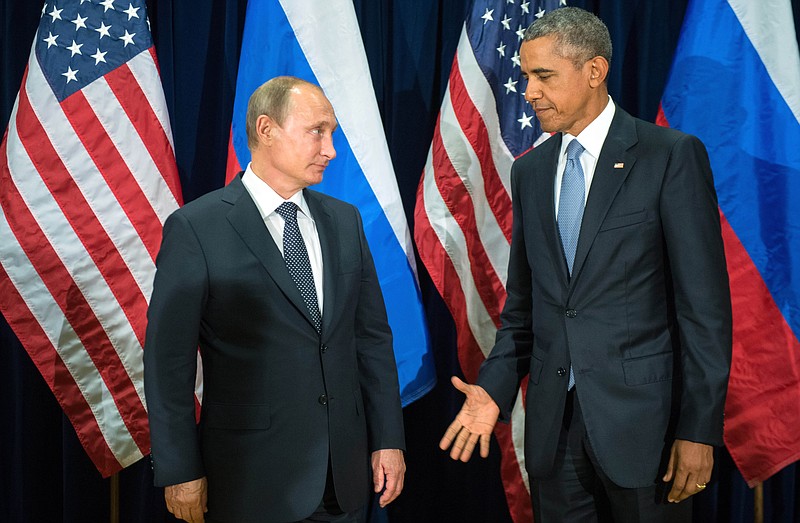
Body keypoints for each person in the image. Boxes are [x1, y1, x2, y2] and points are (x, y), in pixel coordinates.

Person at [439, 7, 732, 522]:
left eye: (543, 76)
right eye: (526, 75)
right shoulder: (531, 172)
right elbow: (525, 311)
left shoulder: (668, 156)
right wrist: (494, 389)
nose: (528, 91)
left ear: (594, 71)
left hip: (647, 435)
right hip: (557, 436)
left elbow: (704, 312)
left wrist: (698, 430)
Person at [144, 76, 406, 523]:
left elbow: (372, 341)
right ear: (266, 130)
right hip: (249, 481)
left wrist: (389, 438)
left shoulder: (345, 221)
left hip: (342, 481)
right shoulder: (197, 228)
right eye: (317, 131)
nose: (331, 150)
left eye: (333, 134)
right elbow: (168, 363)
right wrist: (179, 468)